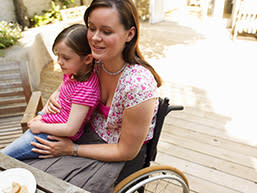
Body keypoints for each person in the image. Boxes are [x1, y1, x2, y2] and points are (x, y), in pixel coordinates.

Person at [22, 0, 162, 192]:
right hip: (84, 133)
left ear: (129, 34)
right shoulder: (94, 63)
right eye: (92, 28)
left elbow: (126, 151)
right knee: (26, 172)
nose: (95, 38)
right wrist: (58, 94)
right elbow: (69, 81)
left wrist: (71, 149)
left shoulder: (138, 86)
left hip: (116, 154)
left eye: (106, 31)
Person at [2, 24, 100, 160]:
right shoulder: (73, 72)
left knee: (5, 158)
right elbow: (62, 88)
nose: (59, 61)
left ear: (88, 59)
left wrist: (40, 126)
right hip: (48, 123)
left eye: (66, 58)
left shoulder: (86, 89)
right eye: (58, 55)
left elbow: (71, 129)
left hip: (53, 136)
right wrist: (44, 112)